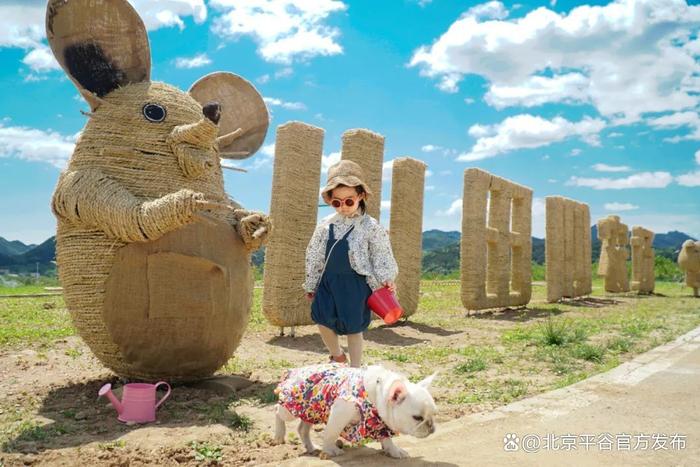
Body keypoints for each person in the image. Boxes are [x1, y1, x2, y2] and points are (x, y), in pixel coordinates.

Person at [303, 160, 398, 368]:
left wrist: (386, 278)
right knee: (321, 318)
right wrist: (311, 283)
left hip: (355, 284)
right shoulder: (325, 225)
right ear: (330, 201)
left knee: (354, 327)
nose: (342, 207)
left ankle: (355, 369)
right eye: (337, 202)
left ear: (361, 196)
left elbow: (381, 253)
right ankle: (337, 355)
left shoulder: (370, 226)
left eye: (349, 201)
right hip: (327, 281)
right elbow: (314, 254)